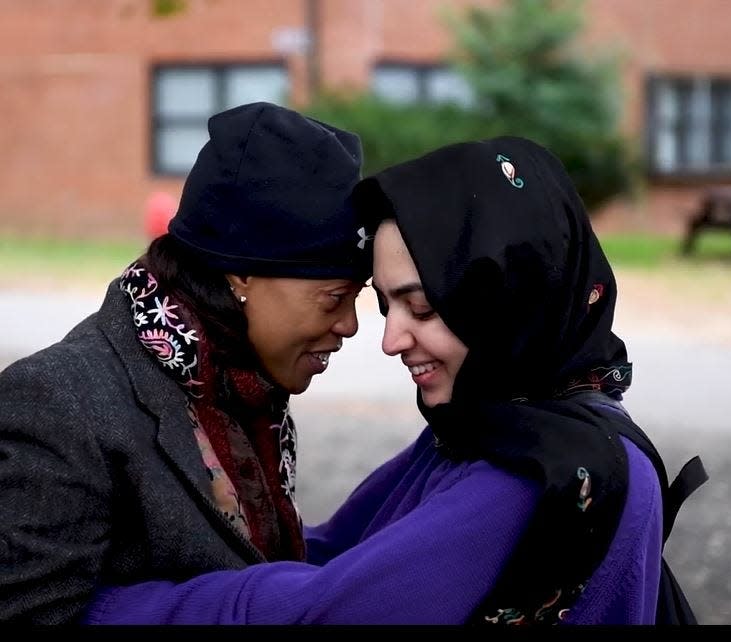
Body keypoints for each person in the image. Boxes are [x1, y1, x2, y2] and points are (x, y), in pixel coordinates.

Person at [79, 136, 665, 625]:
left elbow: (324, 612)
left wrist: (106, 607)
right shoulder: (499, 425)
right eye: (388, 306)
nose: (389, 340)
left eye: (425, 309)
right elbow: (336, 550)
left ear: (510, 297)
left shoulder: (542, 474)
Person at [0, 102, 373, 623]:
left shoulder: (241, 390)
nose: (351, 326)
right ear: (240, 275)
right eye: (334, 297)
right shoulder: (60, 404)